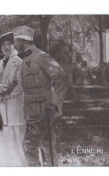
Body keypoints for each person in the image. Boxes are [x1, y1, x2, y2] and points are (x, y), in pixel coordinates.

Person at [12, 25, 69, 166]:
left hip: (43, 110)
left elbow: (62, 78)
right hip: (31, 111)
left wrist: (54, 104)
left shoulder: (41, 57)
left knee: (29, 146)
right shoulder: (23, 59)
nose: (14, 44)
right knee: (47, 144)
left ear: (21, 42)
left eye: (15, 41)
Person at [0, 32, 27, 166]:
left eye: (9, 44)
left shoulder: (19, 62)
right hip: (2, 112)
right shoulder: (0, 63)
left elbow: (21, 86)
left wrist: (4, 96)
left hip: (15, 110)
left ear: (14, 45)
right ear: (0, 48)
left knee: (18, 148)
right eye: (3, 45)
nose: (6, 47)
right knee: (5, 146)